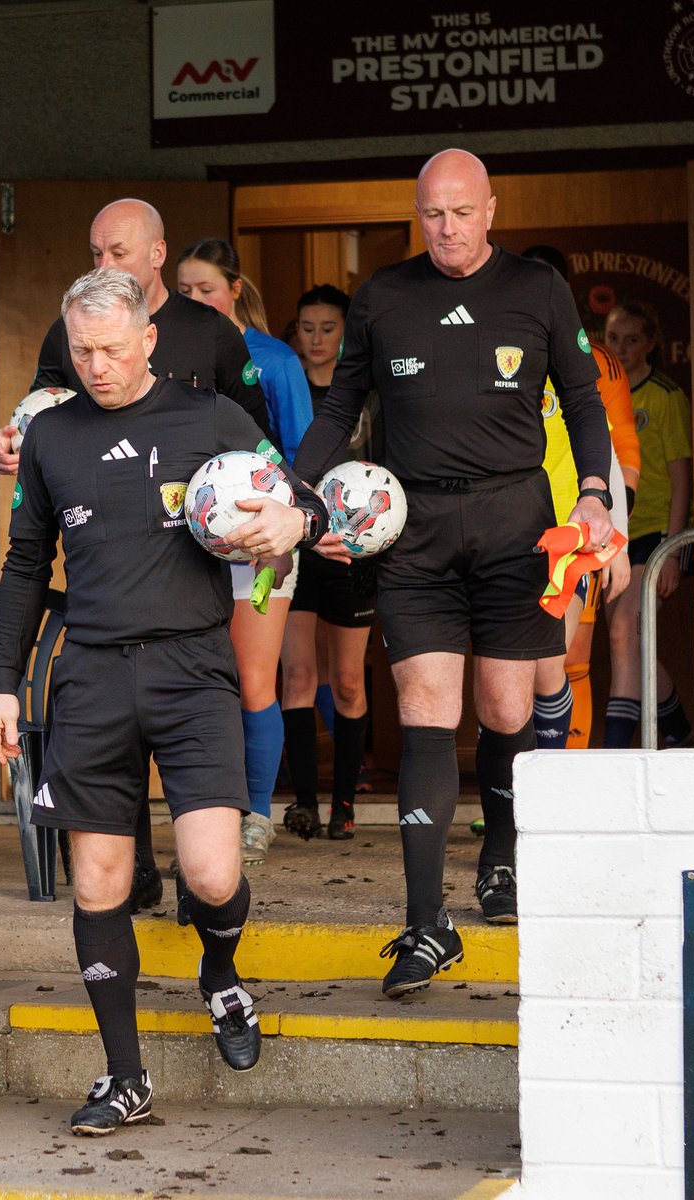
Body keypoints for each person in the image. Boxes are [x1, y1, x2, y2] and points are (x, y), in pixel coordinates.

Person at [0, 268, 328, 1135]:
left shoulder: (208, 416)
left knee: (212, 873)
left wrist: (298, 523)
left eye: (110, 348)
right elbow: (26, 567)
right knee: (99, 882)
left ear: (148, 341)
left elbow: (302, 495)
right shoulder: (53, 436)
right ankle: (125, 1076)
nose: (95, 365)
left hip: (191, 669)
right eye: (80, 350)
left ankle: (220, 969)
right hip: (93, 675)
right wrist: (1, 683)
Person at [292, 149, 615, 998]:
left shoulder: (538, 290)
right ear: (417, 214)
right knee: (427, 711)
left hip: (517, 521)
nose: (447, 229)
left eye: (462, 212)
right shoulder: (384, 296)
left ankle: (501, 857)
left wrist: (591, 495)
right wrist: (296, 493)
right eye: (432, 214)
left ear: (491, 209)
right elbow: (340, 407)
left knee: (507, 706)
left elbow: (582, 398)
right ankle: (424, 922)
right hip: (416, 528)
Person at [0, 199, 274, 909]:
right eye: (94, 252)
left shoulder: (213, 337)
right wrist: (12, 442)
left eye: (117, 252)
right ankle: (134, 863)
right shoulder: (71, 331)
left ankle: (251, 816)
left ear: (155, 254)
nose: (102, 264)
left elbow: (261, 449)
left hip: (216, 557)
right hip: (104, 618)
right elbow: (42, 413)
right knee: (104, 857)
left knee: (252, 689)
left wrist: (281, 520)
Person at [176, 237, 311, 865]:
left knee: (255, 678)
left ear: (235, 289)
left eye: (207, 289)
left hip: (263, 536)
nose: (196, 301)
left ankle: (256, 814)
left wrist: (299, 516)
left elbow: (304, 449)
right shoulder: (161, 349)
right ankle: (211, 815)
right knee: (202, 683)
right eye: (186, 291)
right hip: (188, 542)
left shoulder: (274, 358)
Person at [521, 245, 640, 750]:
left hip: (573, 537)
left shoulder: (597, 364)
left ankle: (562, 784)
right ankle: (508, 795)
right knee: (505, 667)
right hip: (507, 530)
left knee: (567, 661)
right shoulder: (498, 353)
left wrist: (618, 541)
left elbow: (617, 455)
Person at [280, 285, 378, 841]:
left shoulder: (365, 394)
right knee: (297, 675)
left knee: (345, 681)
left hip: (350, 551)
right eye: (307, 327)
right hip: (297, 545)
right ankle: (304, 804)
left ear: (346, 334)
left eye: (328, 328)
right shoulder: (287, 388)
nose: (316, 340)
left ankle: (344, 805)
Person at [602, 299, 694, 749]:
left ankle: (617, 750)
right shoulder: (599, 393)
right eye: (613, 339)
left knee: (626, 632)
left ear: (651, 343)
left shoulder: (666, 397)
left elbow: (682, 481)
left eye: (632, 339)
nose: (621, 349)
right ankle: (677, 733)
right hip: (615, 533)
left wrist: (675, 550)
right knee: (628, 642)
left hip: (657, 533)